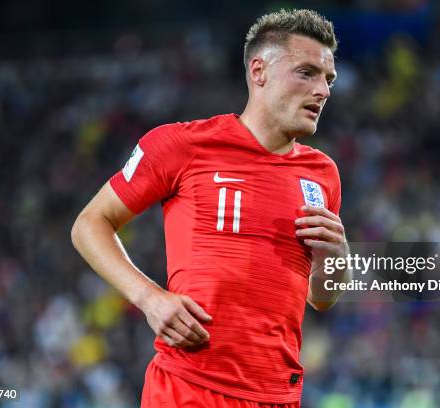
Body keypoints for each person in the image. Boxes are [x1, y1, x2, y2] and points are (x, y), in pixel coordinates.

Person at [71, 8, 350, 407]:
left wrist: (336, 257)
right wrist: (150, 298)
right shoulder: (182, 145)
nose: (322, 90)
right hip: (191, 388)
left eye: (328, 79)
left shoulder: (323, 175)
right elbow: (89, 223)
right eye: (307, 73)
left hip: (278, 396)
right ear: (259, 72)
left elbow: (322, 298)